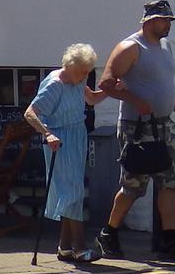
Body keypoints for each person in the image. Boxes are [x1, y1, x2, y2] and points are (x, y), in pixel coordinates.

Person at [94, 0, 175, 262]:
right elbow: (106, 83)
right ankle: (108, 233)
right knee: (133, 185)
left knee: (170, 183)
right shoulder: (131, 47)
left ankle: (169, 238)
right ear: (149, 21)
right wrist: (135, 100)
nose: (168, 25)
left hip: (165, 125)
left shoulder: (165, 47)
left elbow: (168, 87)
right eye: (164, 20)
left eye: (169, 20)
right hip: (138, 127)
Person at [24, 43, 112, 262]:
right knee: (73, 193)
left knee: (70, 192)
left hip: (77, 137)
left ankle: (64, 247)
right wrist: (47, 134)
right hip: (60, 141)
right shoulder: (55, 85)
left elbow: (91, 99)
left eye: (88, 72)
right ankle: (80, 248)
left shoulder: (78, 79)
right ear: (70, 66)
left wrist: (111, 90)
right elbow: (30, 113)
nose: (85, 76)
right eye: (82, 71)